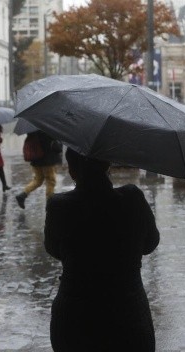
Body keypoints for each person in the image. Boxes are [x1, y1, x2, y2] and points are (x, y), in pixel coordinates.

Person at [44, 148, 160, 352]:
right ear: (107, 163)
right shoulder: (132, 198)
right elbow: (151, 243)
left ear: (72, 170)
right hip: (129, 316)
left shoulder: (59, 206)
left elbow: (53, 249)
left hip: (74, 320)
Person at [15, 130, 62, 208]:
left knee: (38, 180)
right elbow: (50, 143)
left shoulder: (32, 128)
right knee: (51, 181)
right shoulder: (45, 127)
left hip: (36, 158)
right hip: (47, 159)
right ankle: (50, 204)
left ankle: (23, 195)